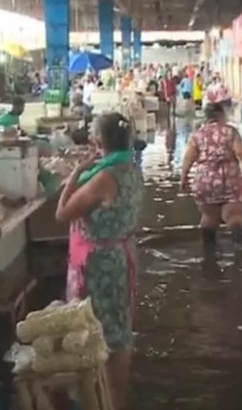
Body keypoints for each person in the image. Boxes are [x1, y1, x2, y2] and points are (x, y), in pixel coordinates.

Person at [55, 112, 143, 410]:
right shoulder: (129, 168)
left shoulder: (103, 177)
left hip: (98, 265)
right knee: (119, 332)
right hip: (121, 257)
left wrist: (76, 173)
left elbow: (63, 212)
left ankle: (96, 401)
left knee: (94, 332)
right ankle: (115, 401)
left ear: (96, 141)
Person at [180, 102, 242, 263]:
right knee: (234, 215)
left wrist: (184, 177)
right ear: (222, 115)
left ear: (206, 117)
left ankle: (209, 255)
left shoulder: (198, 135)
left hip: (205, 182)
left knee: (208, 216)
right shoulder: (230, 132)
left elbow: (188, 157)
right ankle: (238, 252)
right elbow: (241, 151)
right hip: (230, 179)